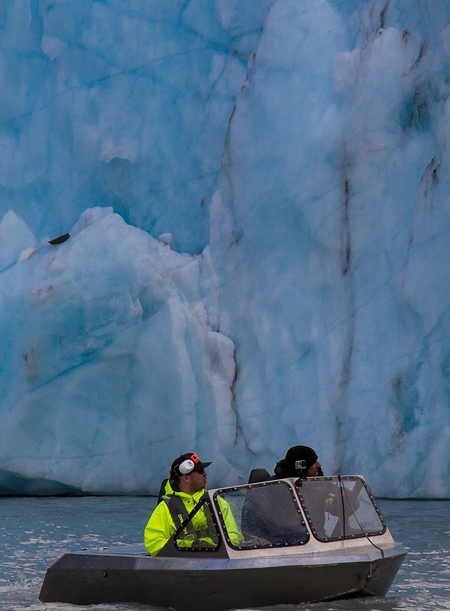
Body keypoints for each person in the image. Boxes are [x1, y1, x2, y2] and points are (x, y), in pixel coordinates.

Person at [144, 452, 242, 556]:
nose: (205, 474)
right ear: (186, 478)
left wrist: (220, 545)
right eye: (200, 471)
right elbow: (154, 543)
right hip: (185, 563)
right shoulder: (165, 509)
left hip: (220, 558)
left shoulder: (217, 501)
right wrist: (191, 545)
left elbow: (234, 534)